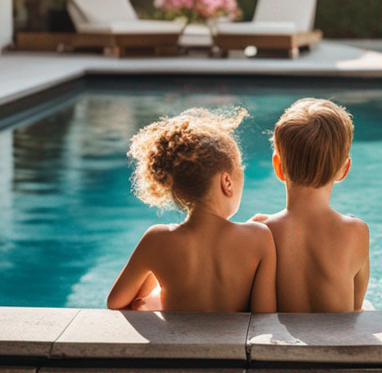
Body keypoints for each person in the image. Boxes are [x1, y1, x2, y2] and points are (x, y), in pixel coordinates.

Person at [107, 107, 276, 313]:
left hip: (175, 344)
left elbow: (116, 303)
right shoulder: (259, 237)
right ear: (227, 182)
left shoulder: (157, 240)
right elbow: (264, 315)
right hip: (234, 346)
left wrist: (155, 300)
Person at [252, 98, 370, 312]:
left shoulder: (261, 232)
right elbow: (356, 306)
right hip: (340, 344)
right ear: (344, 169)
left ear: (278, 167)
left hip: (278, 345)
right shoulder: (356, 231)